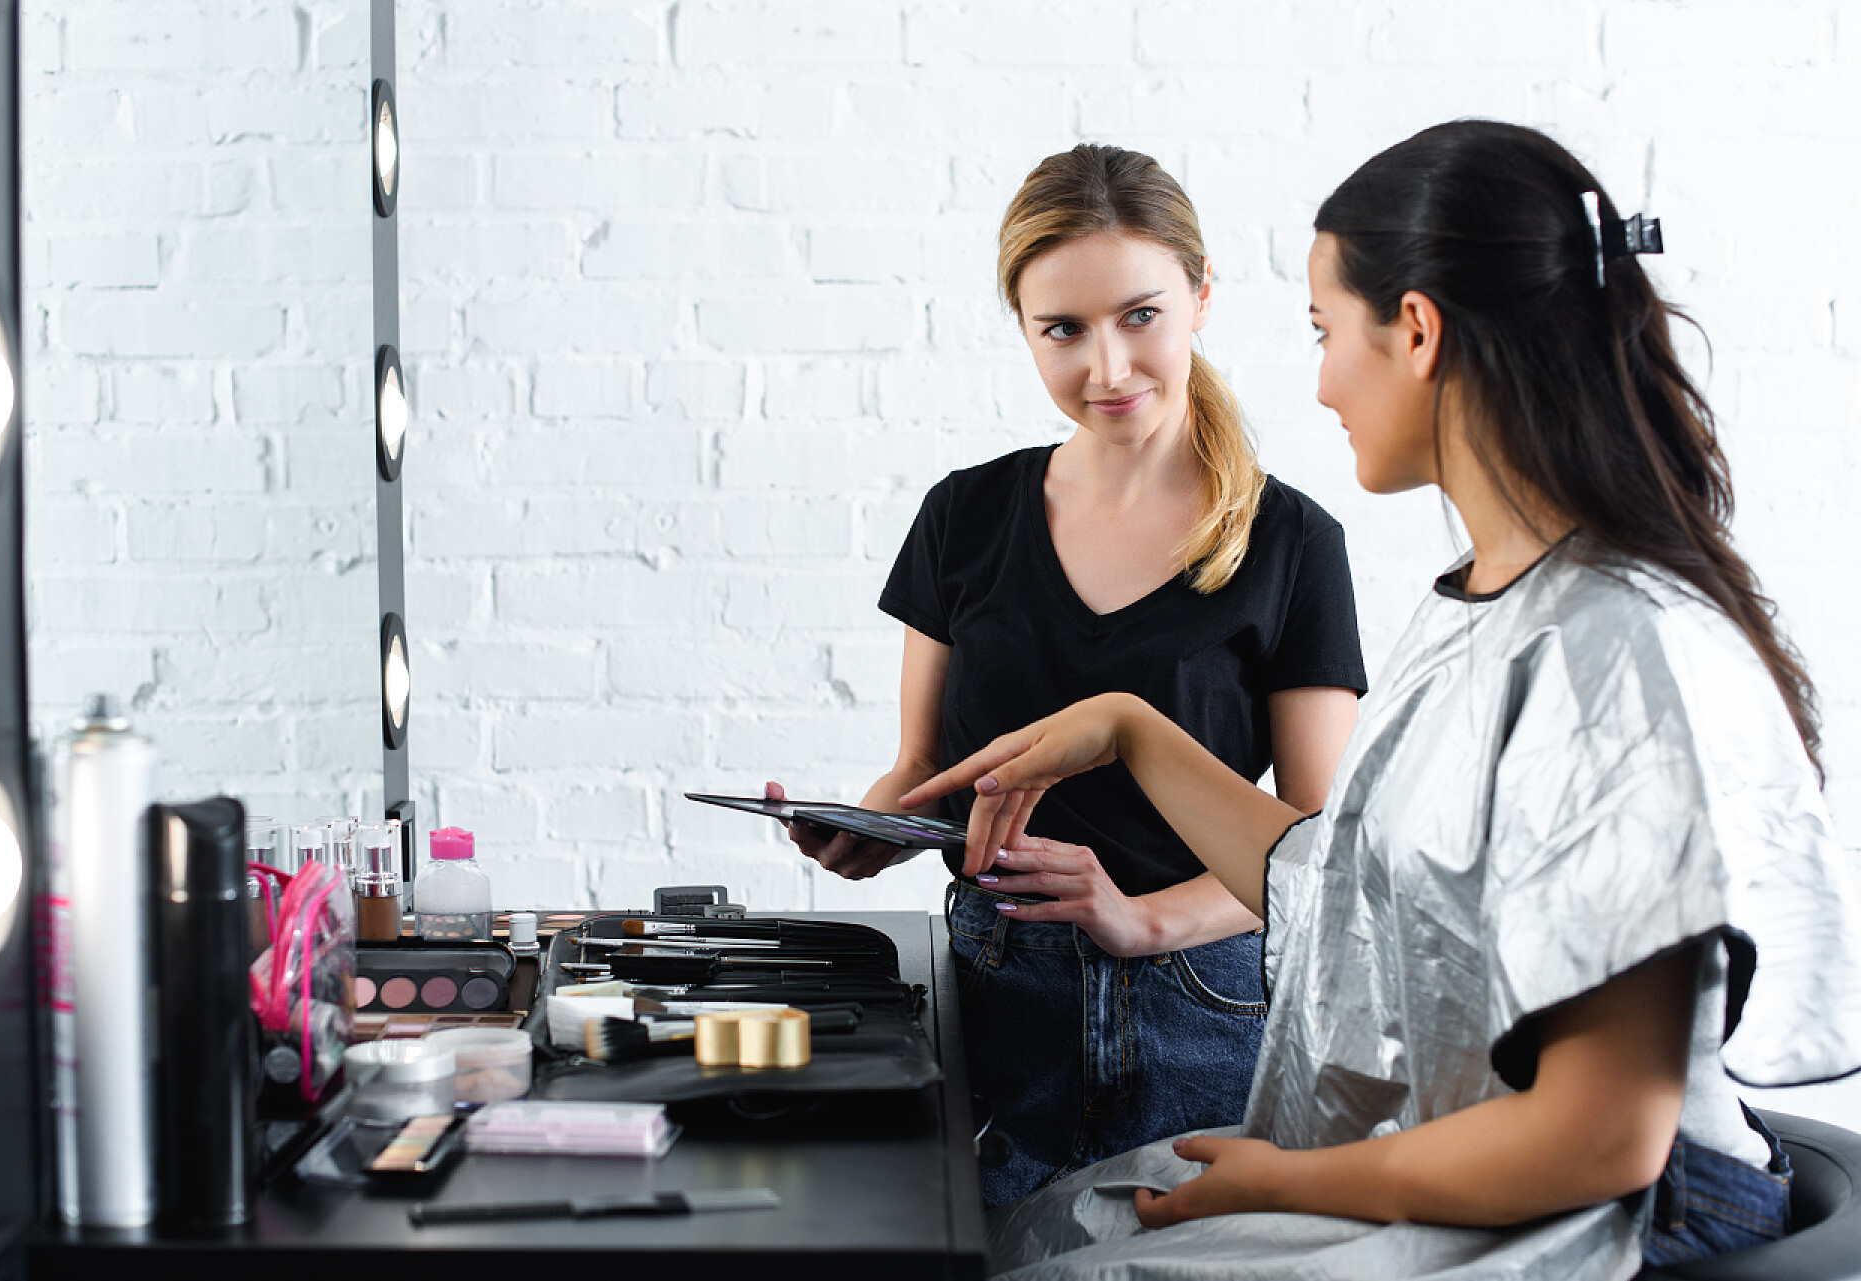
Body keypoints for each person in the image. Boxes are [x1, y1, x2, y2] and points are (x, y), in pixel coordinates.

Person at [903, 120, 1861, 1278]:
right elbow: (1344, 888)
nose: (1315, 382)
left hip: (1602, 1219)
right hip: (1466, 1163)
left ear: (1415, 332)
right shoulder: (1492, 603)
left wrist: (1290, 1179)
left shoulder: (1619, 651)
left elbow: (1604, 1136)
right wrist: (1129, 730)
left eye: (1324, 332)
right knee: (1019, 1232)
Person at [770, 144, 1368, 1207]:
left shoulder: (1293, 543)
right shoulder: (965, 516)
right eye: (1064, 331)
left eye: (1141, 316)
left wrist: (1139, 921)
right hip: (999, 1007)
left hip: (1205, 1014)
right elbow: (918, 765)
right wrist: (865, 833)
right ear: (1023, 328)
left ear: (1201, 297)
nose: (1107, 368)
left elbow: (1315, 846)